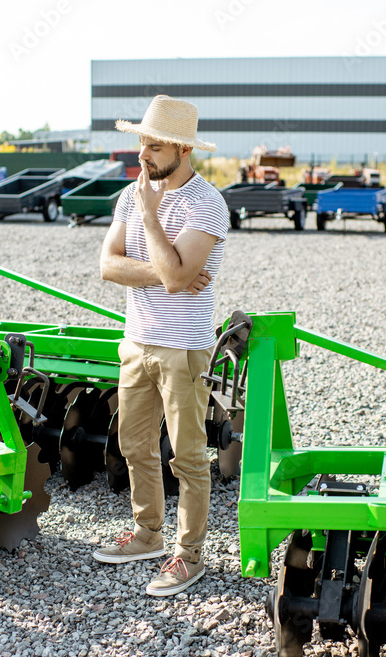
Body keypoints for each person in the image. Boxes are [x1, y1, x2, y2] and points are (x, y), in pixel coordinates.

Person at [95, 95, 228, 596]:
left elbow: (178, 278)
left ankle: (188, 556)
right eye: (141, 144)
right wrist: (168, 272)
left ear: (181, 148)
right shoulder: (131, 194)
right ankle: (148, 533)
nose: (142, 155)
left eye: (152, 146)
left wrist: (152, 220)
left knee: (188, 458)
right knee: (134, 445)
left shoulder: (206, 204)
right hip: (136, 343)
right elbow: (109, 266)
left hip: (183, 349)